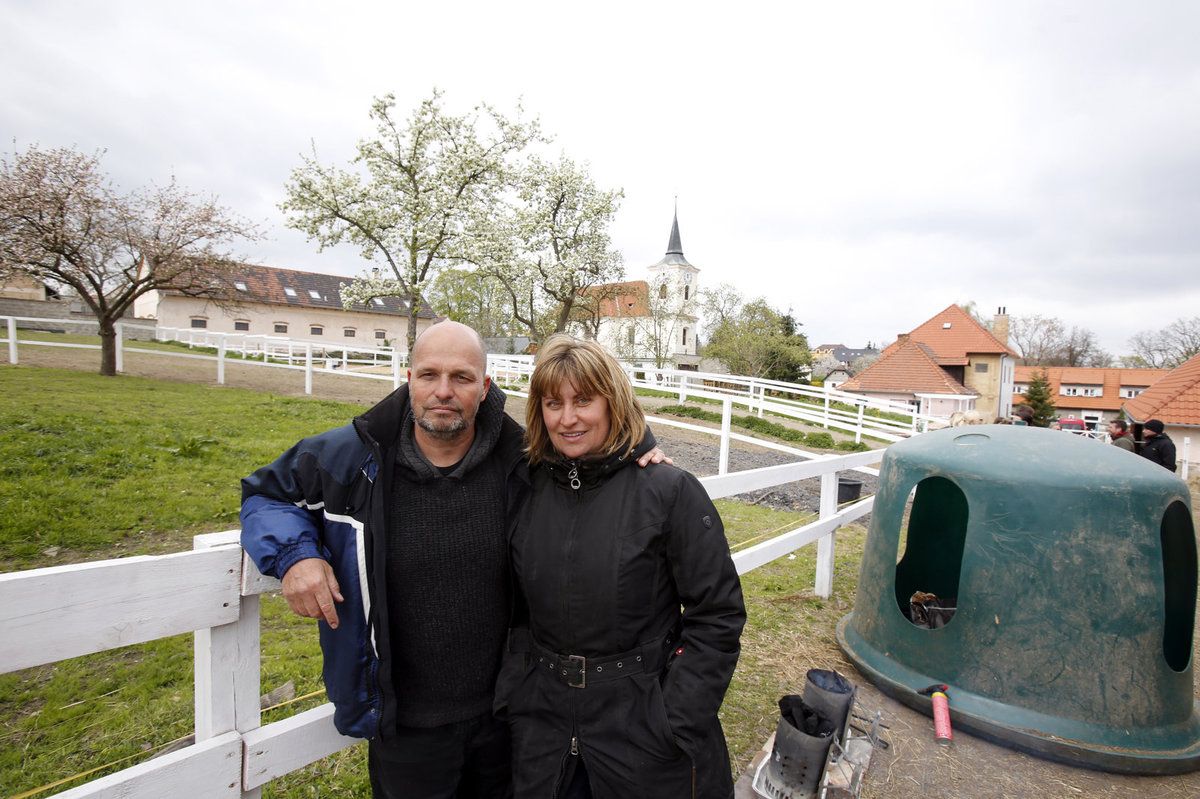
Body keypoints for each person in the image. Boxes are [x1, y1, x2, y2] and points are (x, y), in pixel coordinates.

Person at [240, 321, 664, 799]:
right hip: (405, 726)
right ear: (408, 378)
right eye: (429, 375)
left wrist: (642, 447)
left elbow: (589, 451)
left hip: (507, 717)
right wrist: (296, 555)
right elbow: (264, 496)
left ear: (484, 388)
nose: (443, 391)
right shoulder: (352, 457)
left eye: (461, 378)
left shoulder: (523, 461)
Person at [498, 335, 746, 799]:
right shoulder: (525, 488)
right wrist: (519, 687)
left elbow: (718, 614)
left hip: (642, 726)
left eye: (583, 400)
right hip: (543, 725)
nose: (567, 418)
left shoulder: (668, 491)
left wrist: (675, 717)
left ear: (612, 403)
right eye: (553, 403)